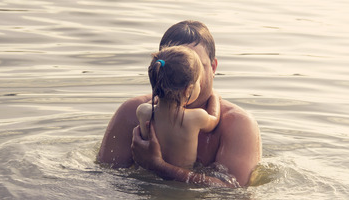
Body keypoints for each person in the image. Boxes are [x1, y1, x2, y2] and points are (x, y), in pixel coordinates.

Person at [97, 20, 261, 187]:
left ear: (213, 67)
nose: (187, 78)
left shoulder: (238, 124)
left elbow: (235, 192)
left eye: (196, 67)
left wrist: (158, 166)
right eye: (177, 70)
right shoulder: (130, 112)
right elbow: (104, 177)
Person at [136, 45, 220, 169]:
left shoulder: (142, 111)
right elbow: (214, 119)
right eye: (198, 82)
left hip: (148, 174)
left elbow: (154, 102)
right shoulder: (196, 117)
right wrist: (214, 96)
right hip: (181, 181)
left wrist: (161, 94)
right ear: (189, 90)